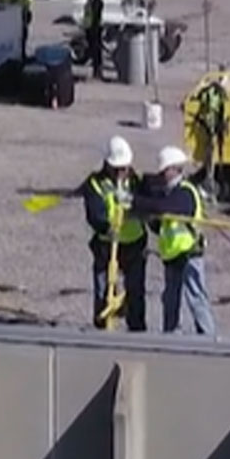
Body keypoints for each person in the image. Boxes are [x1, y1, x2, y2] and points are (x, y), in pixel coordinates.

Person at [132, 145, 216, 336]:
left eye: (164, 171)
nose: (161, 175)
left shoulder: (185, 192)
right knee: (170, 299)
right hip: (172, 256)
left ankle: (208, 337)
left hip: (189, 254)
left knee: (196, 298)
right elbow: (161, 224)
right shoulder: (169, 192)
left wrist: (136, 202)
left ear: (174, 169)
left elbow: (165, 208)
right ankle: (170, 336)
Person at [83, 135, 147, 331]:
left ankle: (136, 330)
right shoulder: (94, 184)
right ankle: (102, 329)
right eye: (118, 169)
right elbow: (94, 214)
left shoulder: (137, 181)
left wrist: (136, 205)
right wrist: (107, 228)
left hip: (134, 245)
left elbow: (149, 205)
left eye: (125, 168)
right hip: (106, 245)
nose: (122, 172)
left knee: (135, 292)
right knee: (104, 291)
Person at [83, 0, 105, 80]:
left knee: (96, 50)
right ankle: (95, 71)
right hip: (89, 27)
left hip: (95, 28)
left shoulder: (97, 0)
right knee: (93, 50)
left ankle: (98, 72)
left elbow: (96, 16)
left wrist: (93, 27)